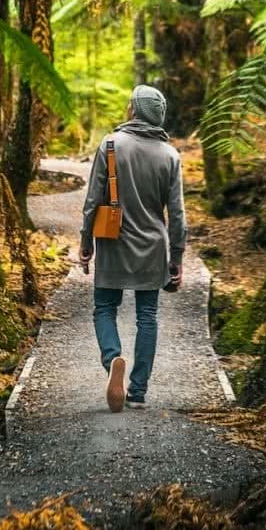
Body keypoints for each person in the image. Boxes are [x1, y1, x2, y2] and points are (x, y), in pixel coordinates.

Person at [78, 84, 187, 413]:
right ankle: (138, 392)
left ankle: (113, 359)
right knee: (147, 317)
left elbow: (93, 200)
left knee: (104, 309)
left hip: (112, 242)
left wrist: (85, 244)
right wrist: (177, 257)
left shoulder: (110, 144)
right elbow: (178, 214)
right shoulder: (170, 155)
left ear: (135, 110)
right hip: (153, 247)